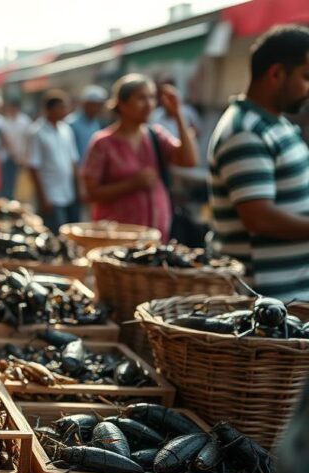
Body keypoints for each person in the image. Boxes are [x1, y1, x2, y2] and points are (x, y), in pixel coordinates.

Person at [208, 26, 309, 301]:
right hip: (267, 302)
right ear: (276, 74)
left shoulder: (278, 123)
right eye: (306, 77)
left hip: (293, 293)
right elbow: (259, 217)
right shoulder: (245, 132)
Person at [81, 74, 197, 241]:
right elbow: (91, 193)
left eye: (151, 97)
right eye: (141, 98)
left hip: (155, 236)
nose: (149, 104)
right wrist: (132, 184)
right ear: (121, 103)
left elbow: (188, 161)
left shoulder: (155, 135)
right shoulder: (102, 143)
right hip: (116, 238)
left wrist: (178, 114)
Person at [27, 90, 81, 231]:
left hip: (68, 192)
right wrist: (43, 197)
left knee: (72, 231)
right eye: (61, 107)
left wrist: (79, 188)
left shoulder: (66, 130)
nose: (65, 111)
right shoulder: (37, 132)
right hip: (51, 193)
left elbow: (73, 160)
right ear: (50, 109)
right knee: (56, 233)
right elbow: (33, 167)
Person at [0, 99, 32, 199]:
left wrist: (24, 157)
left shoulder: (25, 121)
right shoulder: (4, 121)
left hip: (21, 158)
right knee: (7, 183)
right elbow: (4, 140)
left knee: (19, 184)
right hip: (8, 157)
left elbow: (28, 140)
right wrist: (14, 154)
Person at [67, 85, 107, 159]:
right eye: (95, 105)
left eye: (100, 105)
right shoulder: (71, 123)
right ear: (85, 104)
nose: (98, 109)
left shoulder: (95, 123)